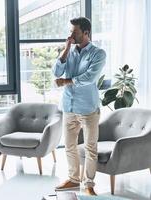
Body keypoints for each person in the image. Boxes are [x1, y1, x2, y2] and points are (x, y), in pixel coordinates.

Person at [53, 17, 106, 195]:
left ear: (86, 33)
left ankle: (89, 184)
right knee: (69, 146)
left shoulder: (98, 54)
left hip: (88, 109)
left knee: (91, 148)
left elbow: (89, 78)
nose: (71, 35)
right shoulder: (69, 51)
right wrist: (66, 50)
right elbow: (56, 72)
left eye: (74, 32)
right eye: (70, 31)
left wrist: (66, 81)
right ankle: (74, 179)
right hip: (69, 107)